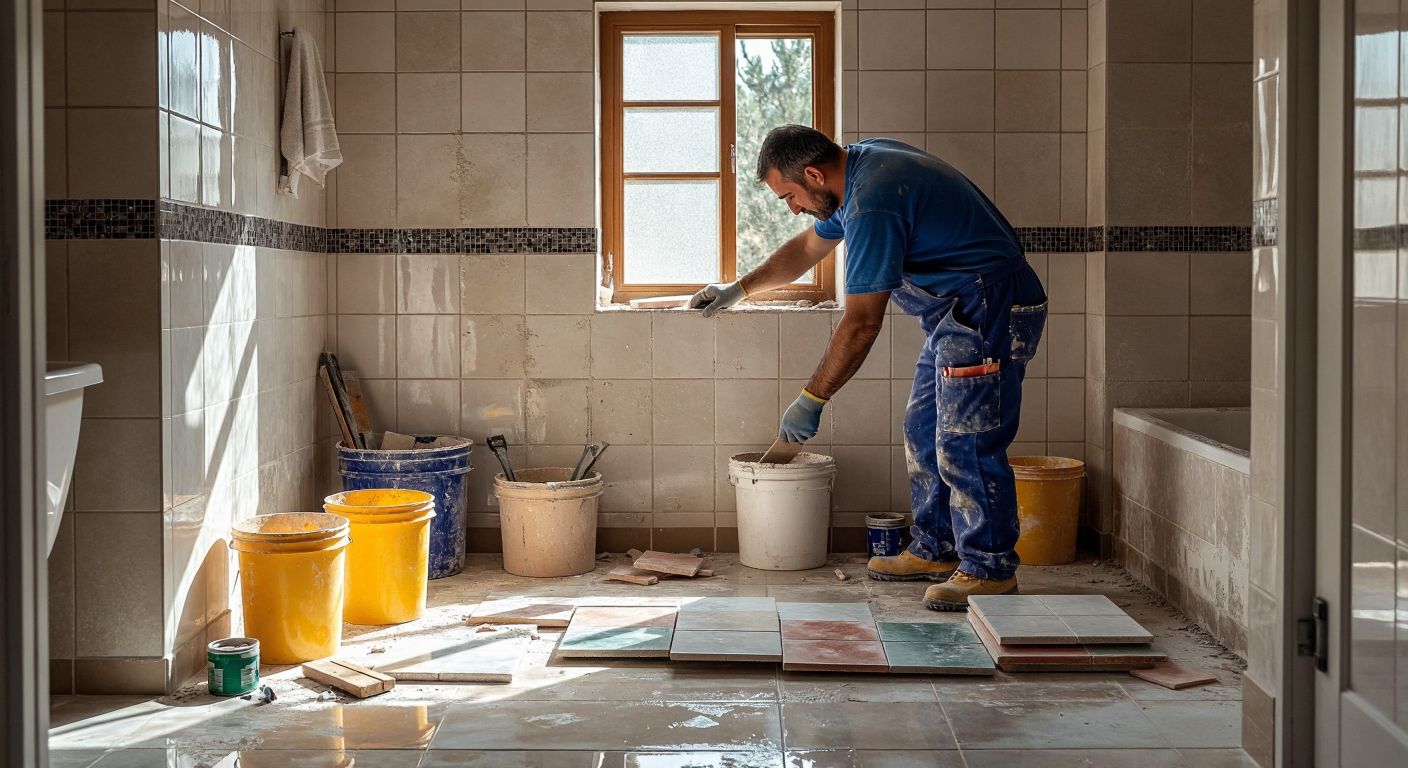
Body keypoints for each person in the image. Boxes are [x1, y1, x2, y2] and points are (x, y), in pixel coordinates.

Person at [689, 125, 1047, 611]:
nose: (791, 207)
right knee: (924, 428)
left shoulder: (873, 202)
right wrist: (739, 289)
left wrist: (811, 400)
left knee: (967, 438)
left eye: (790, 195)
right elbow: (807, 249)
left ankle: (990, 567)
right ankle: (937, 548)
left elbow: (861, 324)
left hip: (989, 308)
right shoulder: (858, 168)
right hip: (958, 314)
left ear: (814, 174)